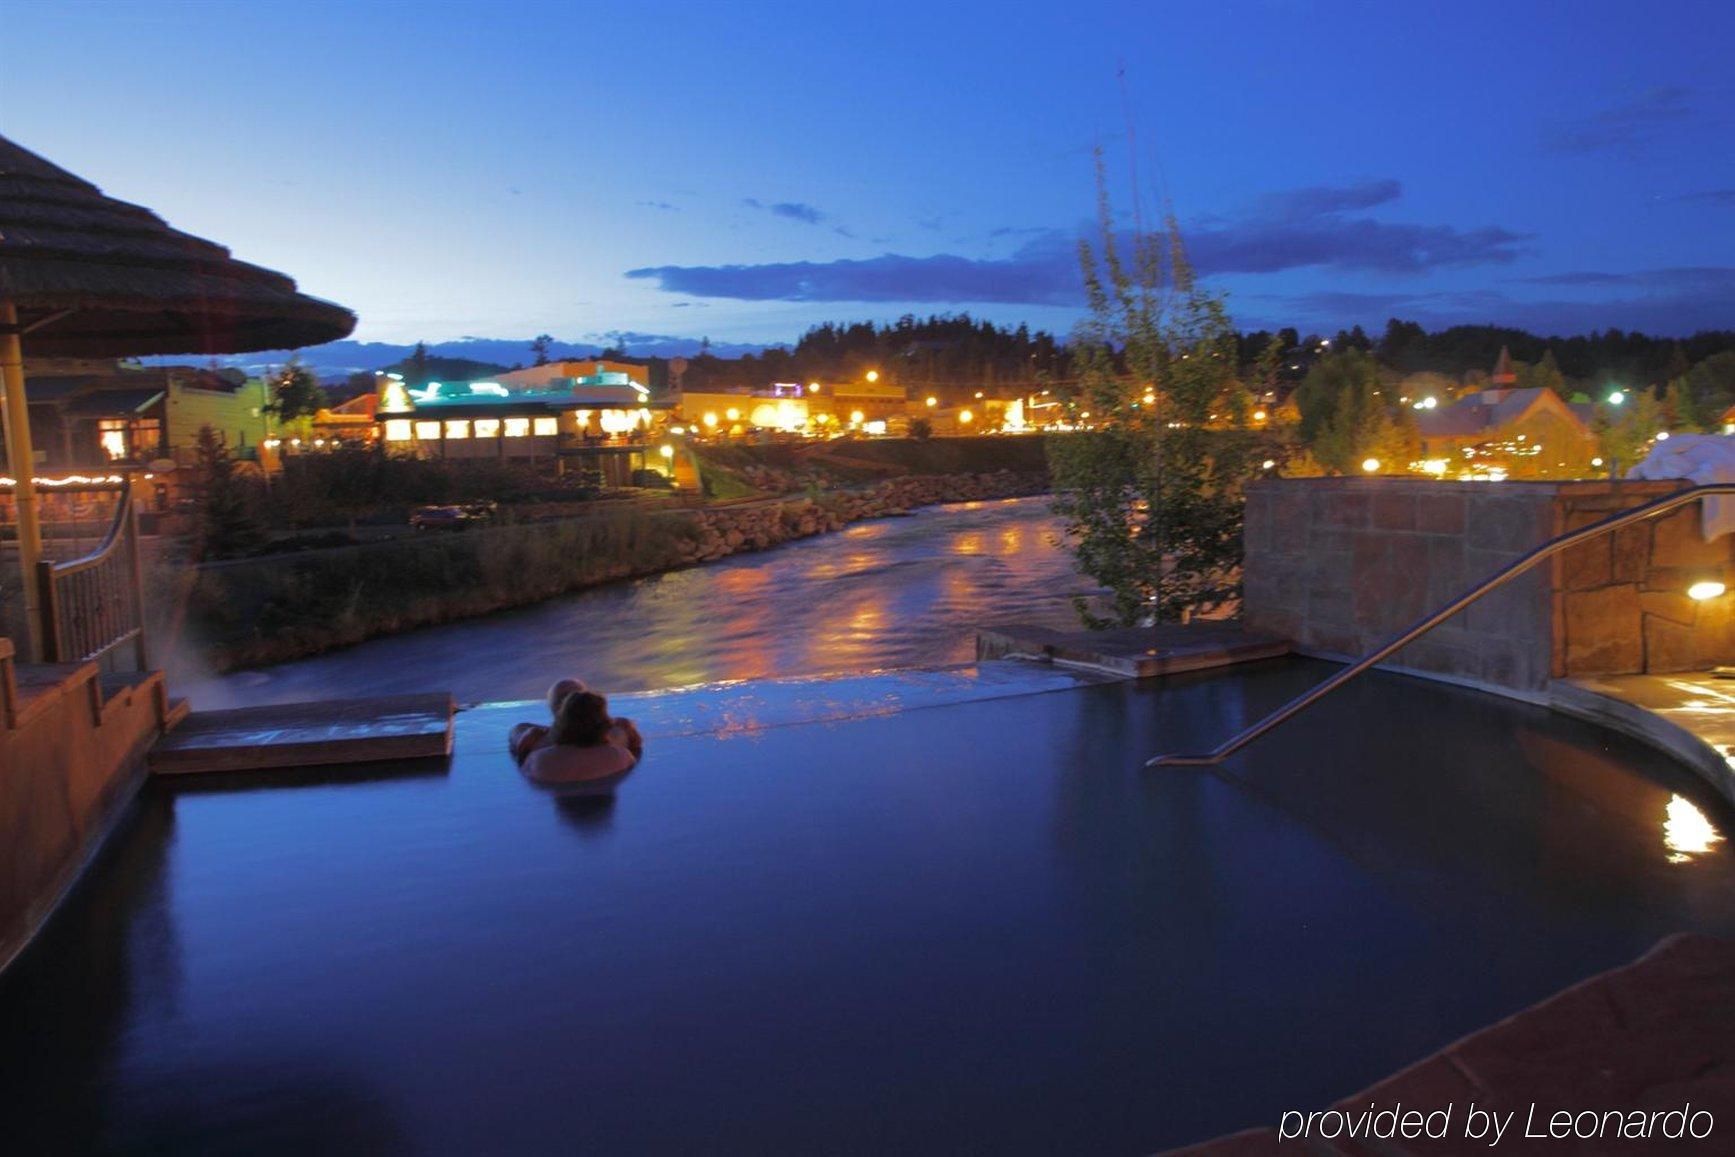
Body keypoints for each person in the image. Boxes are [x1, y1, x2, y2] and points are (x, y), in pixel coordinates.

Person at [514, 689, 642, 786]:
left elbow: (522, 763)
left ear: (560, 723)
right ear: (604, 724)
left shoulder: (538, 761)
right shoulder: (621, 756)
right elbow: (636, 747)